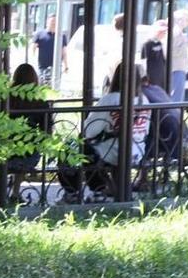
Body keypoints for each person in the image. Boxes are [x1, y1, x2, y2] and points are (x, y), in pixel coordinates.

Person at [59, 62, 151, 201]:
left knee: (70, 148)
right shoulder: (144, 100)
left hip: (112, 151)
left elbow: (88, 130)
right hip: (137, 151)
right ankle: (104, 188)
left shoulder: (110, 99)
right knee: (89, 148)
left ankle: (82, 192)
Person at [5, 63, 48, 200]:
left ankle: (1, 191)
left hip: (4, 149)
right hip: (28, 151)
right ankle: (15, 191)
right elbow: (46, 128)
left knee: (5, 156)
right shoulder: (39, 100)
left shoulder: (5, 98)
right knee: (28, 153)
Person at [31, 14, 67, 84]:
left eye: (56, 21)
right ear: (47, 22)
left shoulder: (61, 36)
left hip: (56, 67)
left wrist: (66, 66)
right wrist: (33, 61)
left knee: (55, 87)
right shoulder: (40, 34)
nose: (54, 23)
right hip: (42, 67)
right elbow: (33, 49)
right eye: (52, 21)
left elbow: (64, 52)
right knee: (43, 86)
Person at [169, 9, 188, 103]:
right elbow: (172, 52)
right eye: (186, 20)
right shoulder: (175, 33)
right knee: (176, 97)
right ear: (179, 20)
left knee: (178, 96)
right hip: (177, 68)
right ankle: (174, 116)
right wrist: (187, 42)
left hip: (179, 67)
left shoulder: (179, 33)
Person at [141, 20, 168, 90]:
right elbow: (143, 62)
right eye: (162, 32)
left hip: (161, 76)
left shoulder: (160, 43)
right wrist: (145, 77)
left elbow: (163, 60)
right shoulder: (147, 44)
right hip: (152, 77)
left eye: (164, 32)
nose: (164, 34)